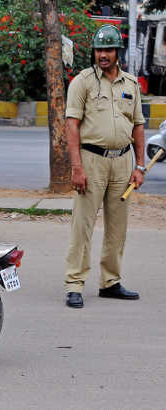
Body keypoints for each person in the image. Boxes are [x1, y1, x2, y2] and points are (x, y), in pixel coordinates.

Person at [64, 25, 145, 308]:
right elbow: (71, 125)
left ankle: (110, 282)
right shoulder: (82, 82)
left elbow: (138, 126)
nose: (103, 55)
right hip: (91, 160)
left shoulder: (131, 84)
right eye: (99, 50)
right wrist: (77, 167)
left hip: (123, 163)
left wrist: (140, 166)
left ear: (117, 52)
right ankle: (74, 283)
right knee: (82, 226)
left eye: (108, 50)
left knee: (117, 228)